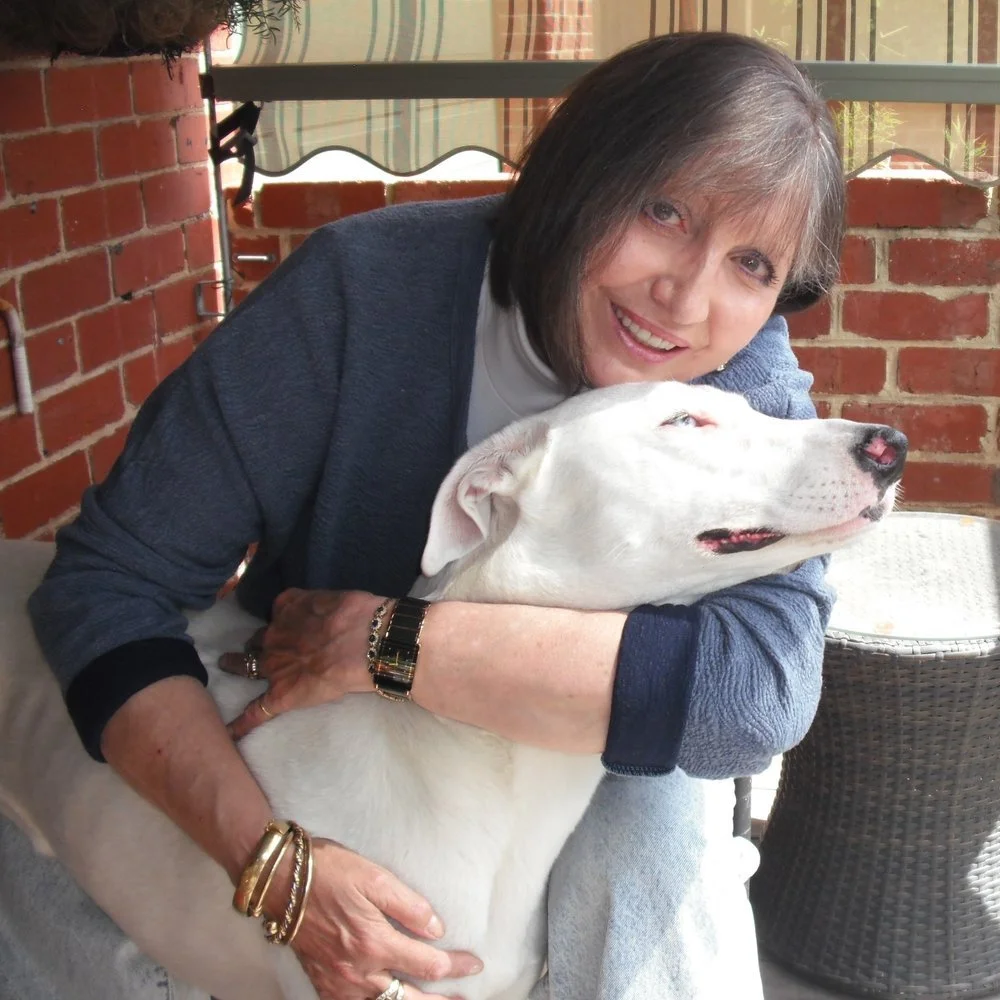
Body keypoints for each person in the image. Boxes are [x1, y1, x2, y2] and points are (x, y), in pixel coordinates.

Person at [5, 29, 844, 1000]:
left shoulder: (735, 368)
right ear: (576, 173)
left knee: (657, 861)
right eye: (662, 211)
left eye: (751, 263)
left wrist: (390, 642)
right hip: (325, 735)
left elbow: (756, 693)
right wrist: (270, 860)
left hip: (583, 736)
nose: (686, 295)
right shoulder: (361, 291)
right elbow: (110, 583)